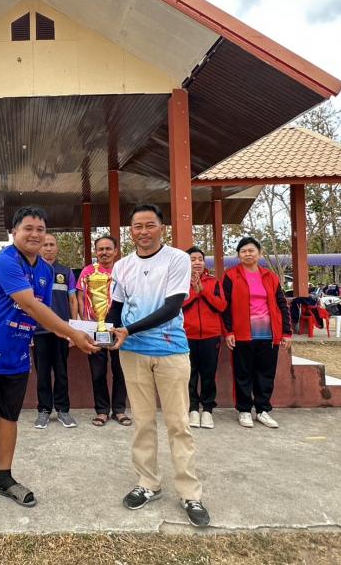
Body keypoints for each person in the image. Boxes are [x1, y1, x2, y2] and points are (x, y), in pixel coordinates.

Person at [0, 206, 99, 521]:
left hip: (19, 355)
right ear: (14, 233)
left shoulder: (45, 271)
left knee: (10, 418)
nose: (35, 234)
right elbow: (31, 305)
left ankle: (4, 478)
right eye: (28, 228)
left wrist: (84, 333)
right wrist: (72, 333)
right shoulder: (5, 261)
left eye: (40, 229)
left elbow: (44, 315)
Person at [108, 204, 210, 528]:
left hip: (170, 351)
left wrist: (128, 330)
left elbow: (171, 307)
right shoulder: (122, 266)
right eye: (137, 226)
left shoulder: (177, 259)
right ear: (131, 231)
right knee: (142, 422)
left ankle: (189, 493)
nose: (143, 232)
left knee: (178, 423)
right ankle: (148, 483)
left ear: (162, 228)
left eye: (149, 225)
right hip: (132, 353)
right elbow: (116, 308)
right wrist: (100, 334)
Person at [222, 237, 292, 429]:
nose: (247, 254)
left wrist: (286, 332)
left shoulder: (271, 277)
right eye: (243, 251)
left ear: (259, 253)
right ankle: (244, 410)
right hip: (242, 334)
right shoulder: (231, 275)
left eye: (251, 250)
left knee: (266, 374)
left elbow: (282, 305)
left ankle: (262, 410)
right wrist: (228, 331)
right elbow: (225, 307)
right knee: (243, 373)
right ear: (238, 255)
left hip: (269, 335)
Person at [76, 235, 130, 427]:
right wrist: (83, 323)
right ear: (96, 251)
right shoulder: (87, 272)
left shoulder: (123, 270)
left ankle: (119, 410)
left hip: (119, 328)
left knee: (120, 370)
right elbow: (81, 298)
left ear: (115, 251)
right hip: (94, 327)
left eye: (108, 249)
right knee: (97, 371)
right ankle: (102, 411)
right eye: (101, 249)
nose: (104, 252)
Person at [32, 233, 79, 429]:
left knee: (61, 372)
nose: (48, 248)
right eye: (45, 245)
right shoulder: (31, 271)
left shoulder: (66, 272)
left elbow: (73, 300)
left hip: (62, 331)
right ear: (39, 248)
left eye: (52, 244)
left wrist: (73, 329)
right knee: (42, 373)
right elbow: (26, 303)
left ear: (57, 248)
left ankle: (63, 410)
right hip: (39, 331)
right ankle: (44, 410)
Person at [182, 247, 227, 430]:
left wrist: (204, 291)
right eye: (193, 259)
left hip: (211, 335)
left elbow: (222, 306)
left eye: (200, 259)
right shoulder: (180, 281)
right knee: (189, 374)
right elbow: (177, 305)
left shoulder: (214, 282)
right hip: (187, 335)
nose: (197, 262)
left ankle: (207, 409)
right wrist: (195, 292)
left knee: (208, 374)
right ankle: (193, 408)